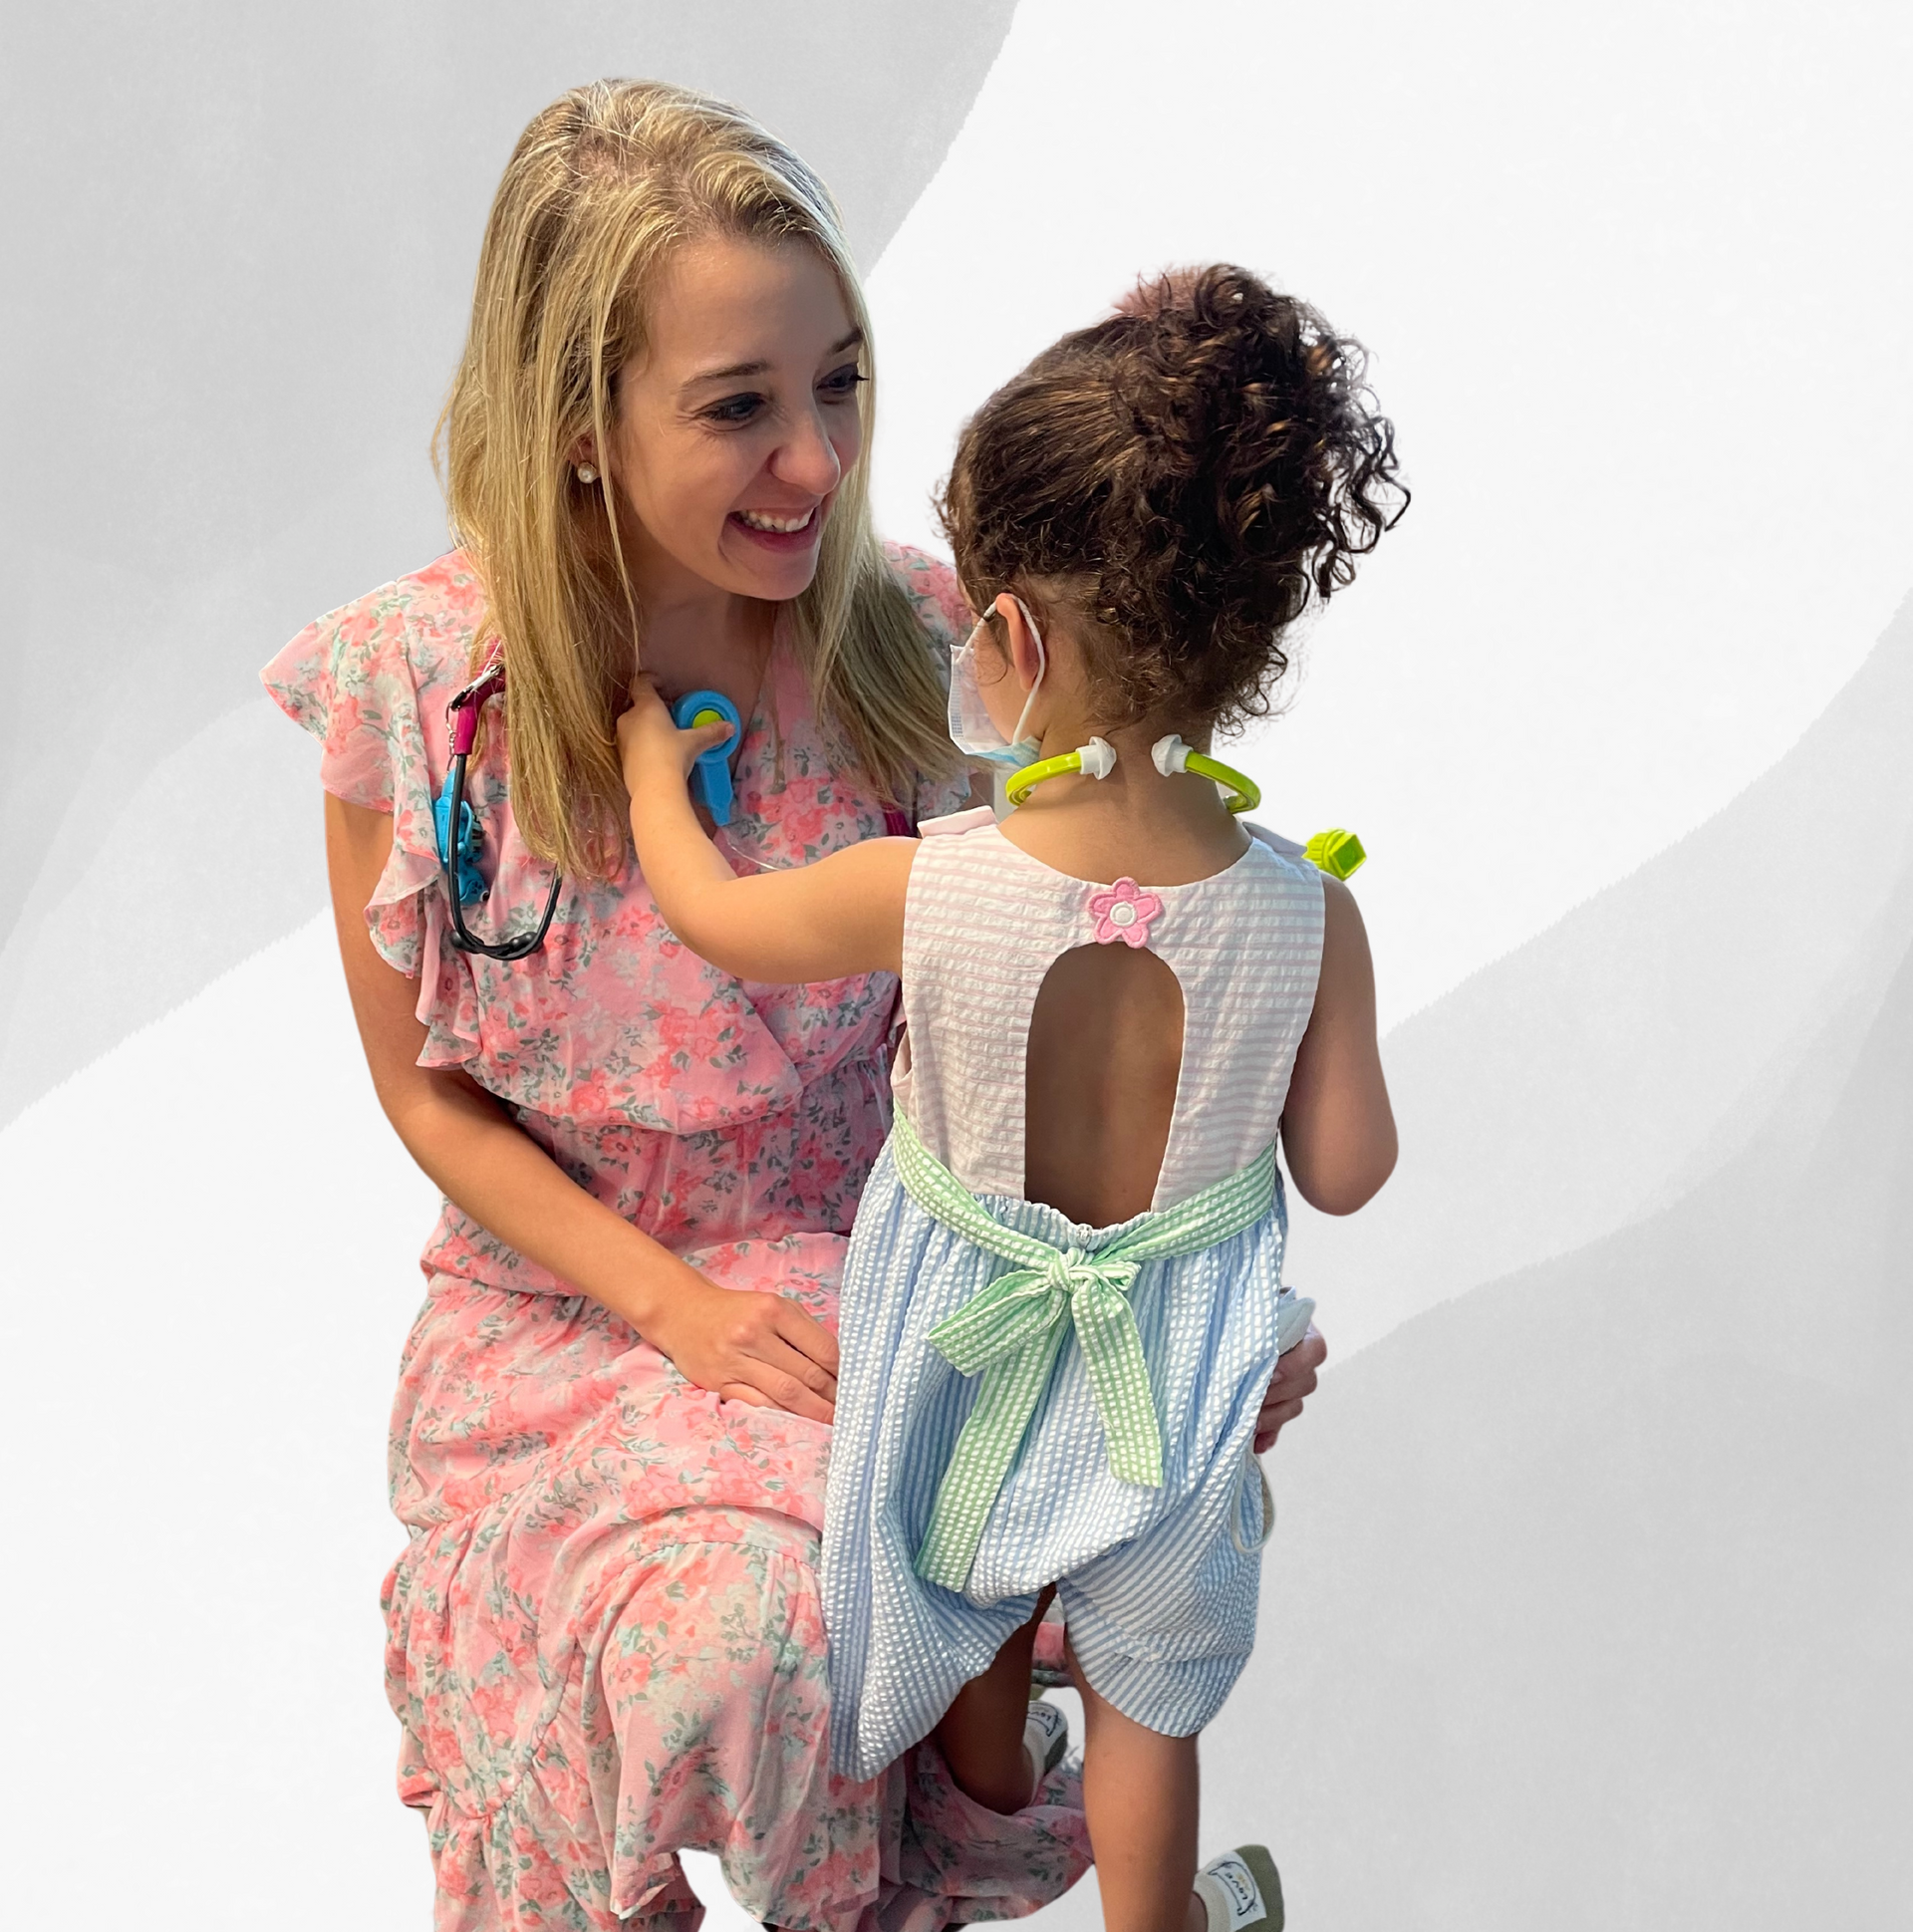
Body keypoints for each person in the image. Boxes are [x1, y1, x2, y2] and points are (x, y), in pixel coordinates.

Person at [262, 81, 1325, 1932]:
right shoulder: (415, 697)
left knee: (866, 1616)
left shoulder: (932, 648)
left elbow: (1102, 1001)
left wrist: (1209, 1313)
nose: (818, 461)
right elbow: (426, 1099)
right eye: (739, 406)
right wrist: (677, 1308)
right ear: (579, 426)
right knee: (729, 1654)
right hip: (575, 1310)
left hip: (909, 1266)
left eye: (837, 383)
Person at [618, 264, 1402, 1932]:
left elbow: (717, 919)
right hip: (1169, 1374)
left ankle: (983, 1795)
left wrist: (656, 783)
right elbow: (1347, 1166)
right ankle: (1161, 1917)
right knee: (1150, 1688)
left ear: (1017, 641)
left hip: (971, 1335)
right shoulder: (1304, 909)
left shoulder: (933, 884)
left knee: (968, 1574)